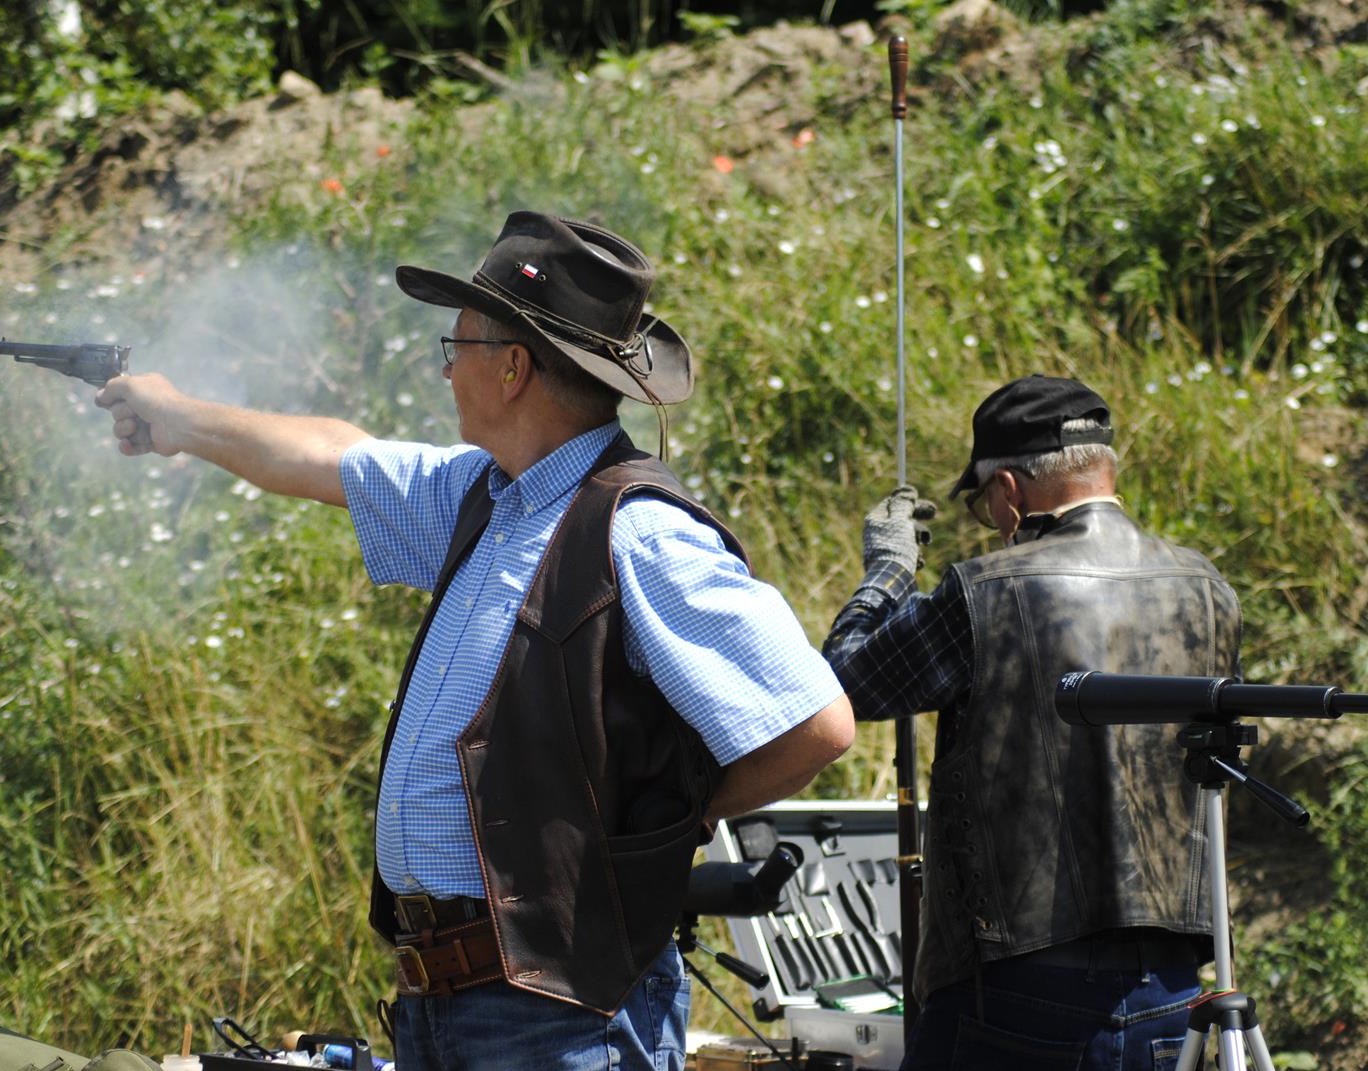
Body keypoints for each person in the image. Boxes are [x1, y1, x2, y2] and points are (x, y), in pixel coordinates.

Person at [96, 211, 855, 1071]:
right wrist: (179, 418)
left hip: (558, 1009)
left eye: (455, 347)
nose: (447, 369)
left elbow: (815, 723)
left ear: (512, 367)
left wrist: (663, 831)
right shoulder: (484, 496)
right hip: (455, 1000)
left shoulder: (639, 533)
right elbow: (332, 455)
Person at [822, 374, 1242, 1071]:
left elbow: (839, 683)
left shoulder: (985, 591)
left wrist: (889, 572)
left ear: (1009, 490)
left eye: (986, 505)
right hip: (1174, 984)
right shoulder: (1209, 588)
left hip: (1019, 986)